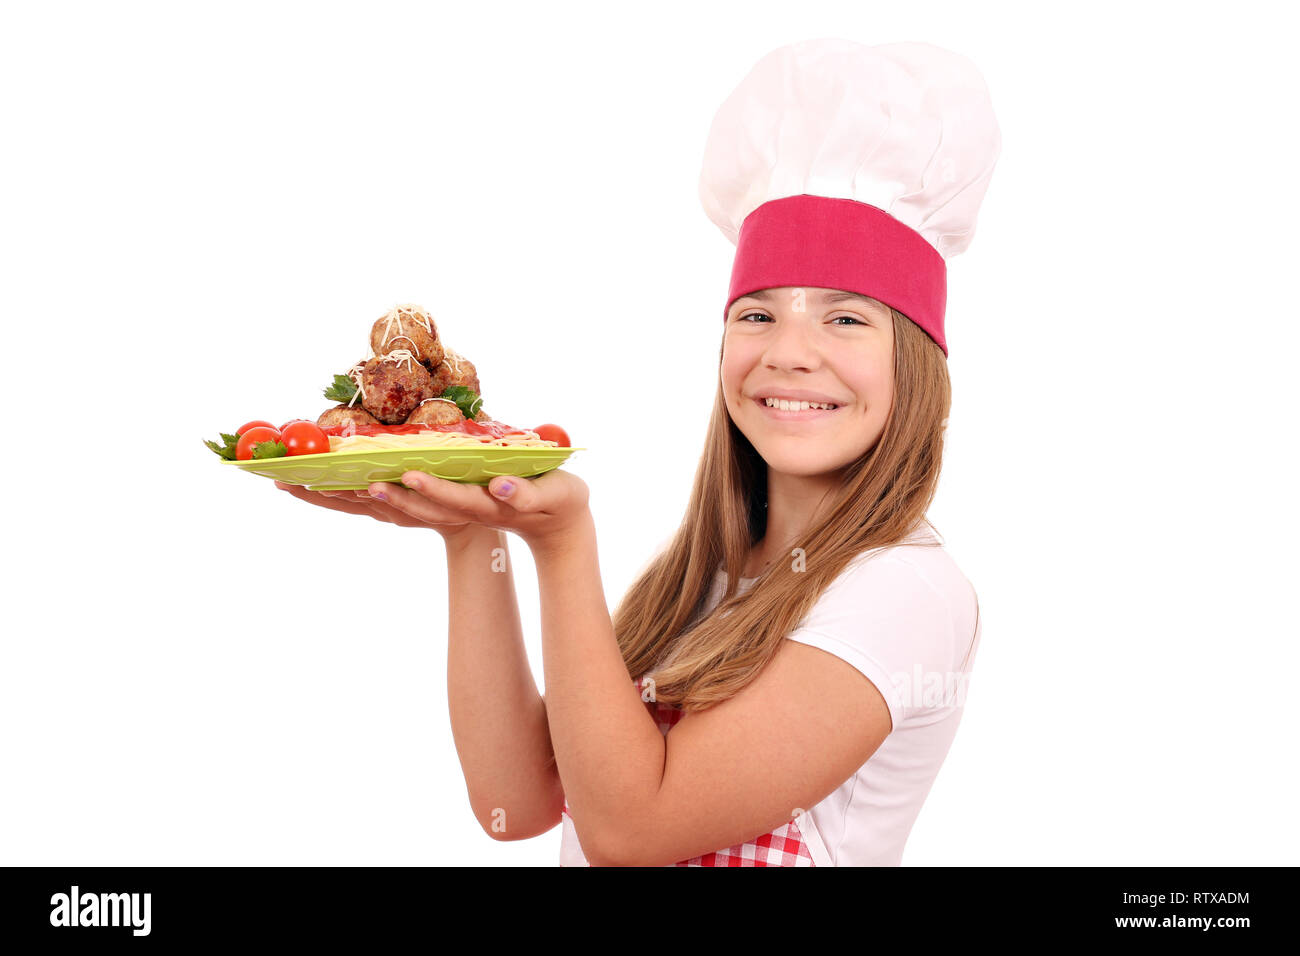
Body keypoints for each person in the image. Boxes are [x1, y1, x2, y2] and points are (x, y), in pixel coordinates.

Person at [276, 37, 1000, 866]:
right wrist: (471, 525)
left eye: (845, 318)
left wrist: (562, 540)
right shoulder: (699, 577)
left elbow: (632, 833)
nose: (789, 353)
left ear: (915, 358)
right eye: (757, 315)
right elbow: (519, 800)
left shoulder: (902, 590)